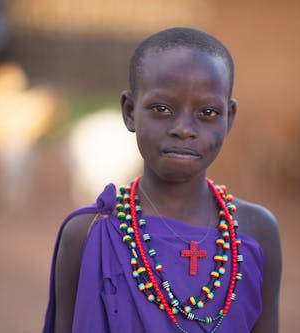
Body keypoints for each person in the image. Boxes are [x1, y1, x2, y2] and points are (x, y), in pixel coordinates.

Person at [43, 27, 282, 333]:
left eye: (207, 112)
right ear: (129, 112)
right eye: (161, 109)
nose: (183, 128)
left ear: (229, 117)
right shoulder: (88, 233)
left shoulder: (256, 231)